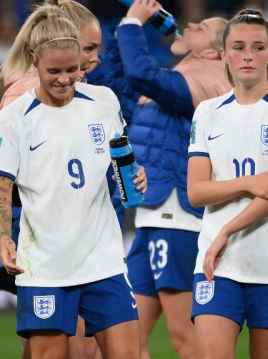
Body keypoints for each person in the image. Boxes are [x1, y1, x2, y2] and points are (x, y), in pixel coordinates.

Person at [0, 5, 145, 359]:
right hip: (43, 265)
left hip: (103, 260)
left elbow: (121, 162)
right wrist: (5, 238)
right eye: (53, 70)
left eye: (72, 69)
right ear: (33, 61)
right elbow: (0, 189)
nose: (63, 78)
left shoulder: (104, 101)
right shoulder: (14, 118)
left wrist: (135, 175)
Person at [101, 1, 231, 358]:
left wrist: (133, 24)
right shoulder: (179, 76)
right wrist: (124, 29)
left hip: (179, 220)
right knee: (129, 340)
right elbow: (119, 87)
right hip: (152, 219)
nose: (190, 25)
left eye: (201, 27)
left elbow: (142, 75)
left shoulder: (210, 79)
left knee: (186, 339)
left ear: (215, 50)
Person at [187, 9, 268, 358]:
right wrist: (249, 183)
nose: (248, 55)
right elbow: (196, 192)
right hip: (217, 262)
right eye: (239, 47)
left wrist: (226, 230)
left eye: (258, 47)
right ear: (224, 53)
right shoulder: (207, 112)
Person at [0, 2, 104, 358]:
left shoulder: (82, 94)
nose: (95, 58)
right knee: (68, 345)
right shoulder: (24, 97)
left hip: (77, 230)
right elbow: (10, 178)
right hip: (42, 233)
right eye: (88, 48)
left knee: (51, 344)